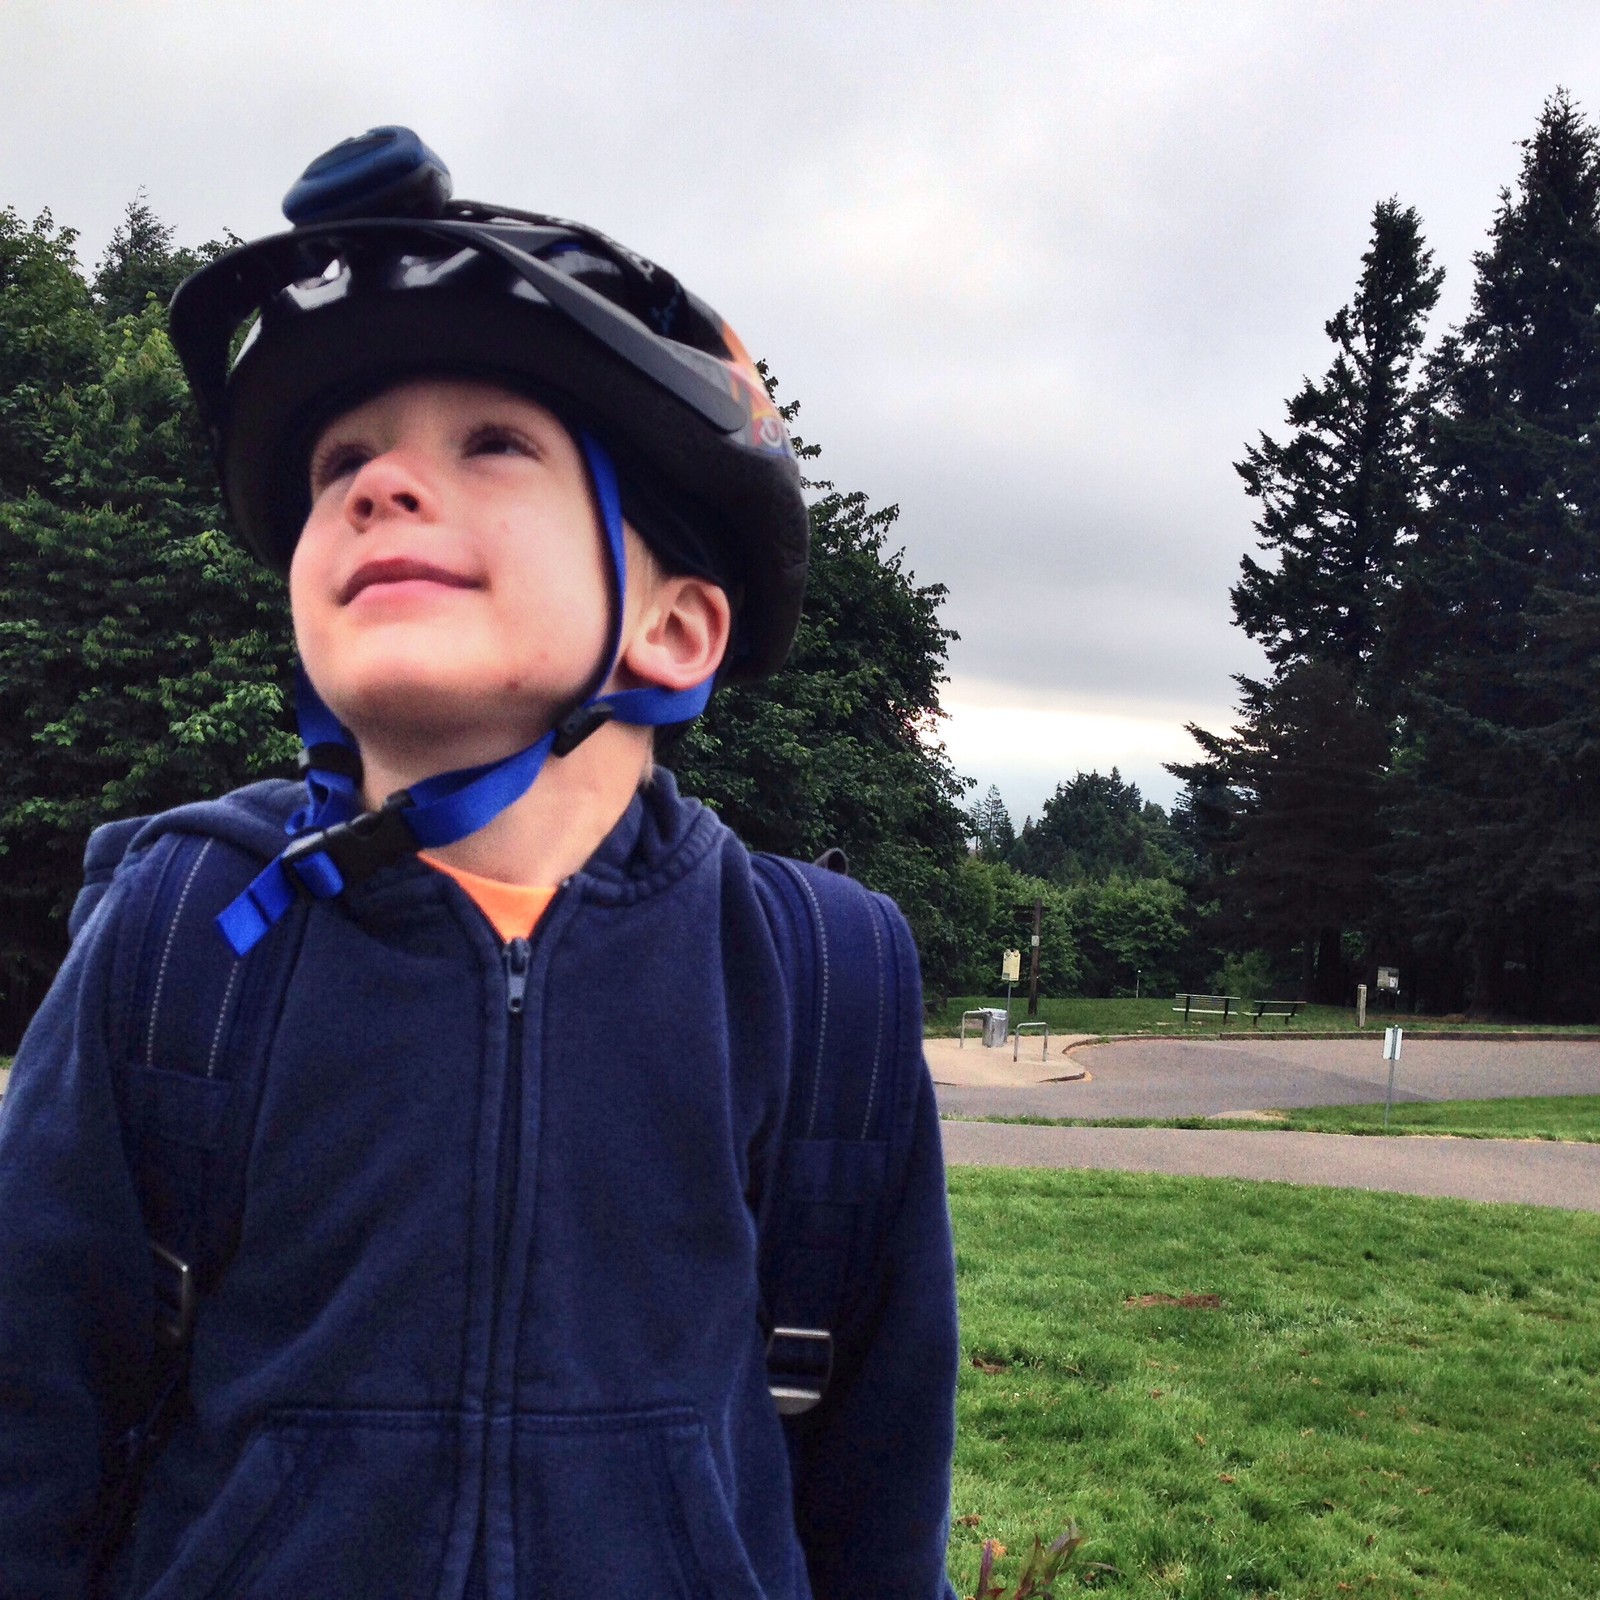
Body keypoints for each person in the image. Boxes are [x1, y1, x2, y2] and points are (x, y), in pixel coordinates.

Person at [0, 128, 958, 1597]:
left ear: (676, 631)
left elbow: (878, 1508)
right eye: (339, 463)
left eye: (492, 443)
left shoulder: (821, 982)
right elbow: (28, 1438)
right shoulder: (181, 938)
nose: (380, 487)